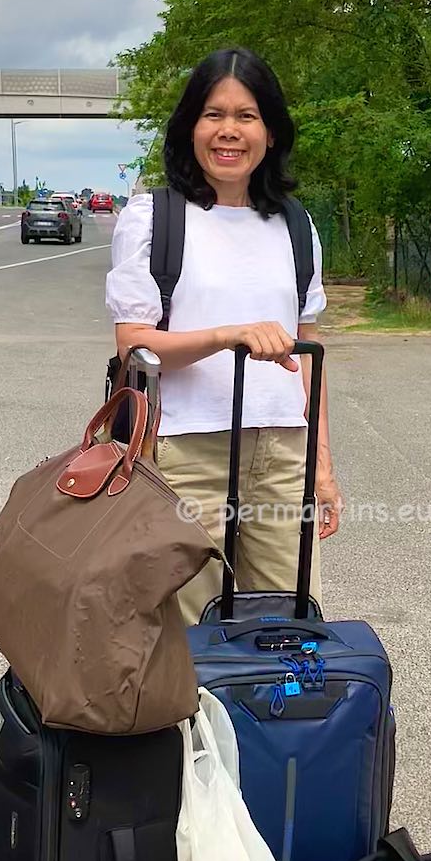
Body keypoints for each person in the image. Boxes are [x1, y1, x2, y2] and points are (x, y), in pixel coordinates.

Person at [105, 47, 343, 625]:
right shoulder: (154, 219)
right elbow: (133, 344)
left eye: (247, 116)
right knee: (190, 631)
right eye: (213, 115)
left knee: (284, 625)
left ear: (270, 131)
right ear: (190, 126)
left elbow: (308, 353)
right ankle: (194, 722)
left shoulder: (294, 224)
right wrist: (226, 336)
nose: (229, 132)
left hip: (283, 452)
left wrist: (322, 465)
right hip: (187, 453)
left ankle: (265, 721)